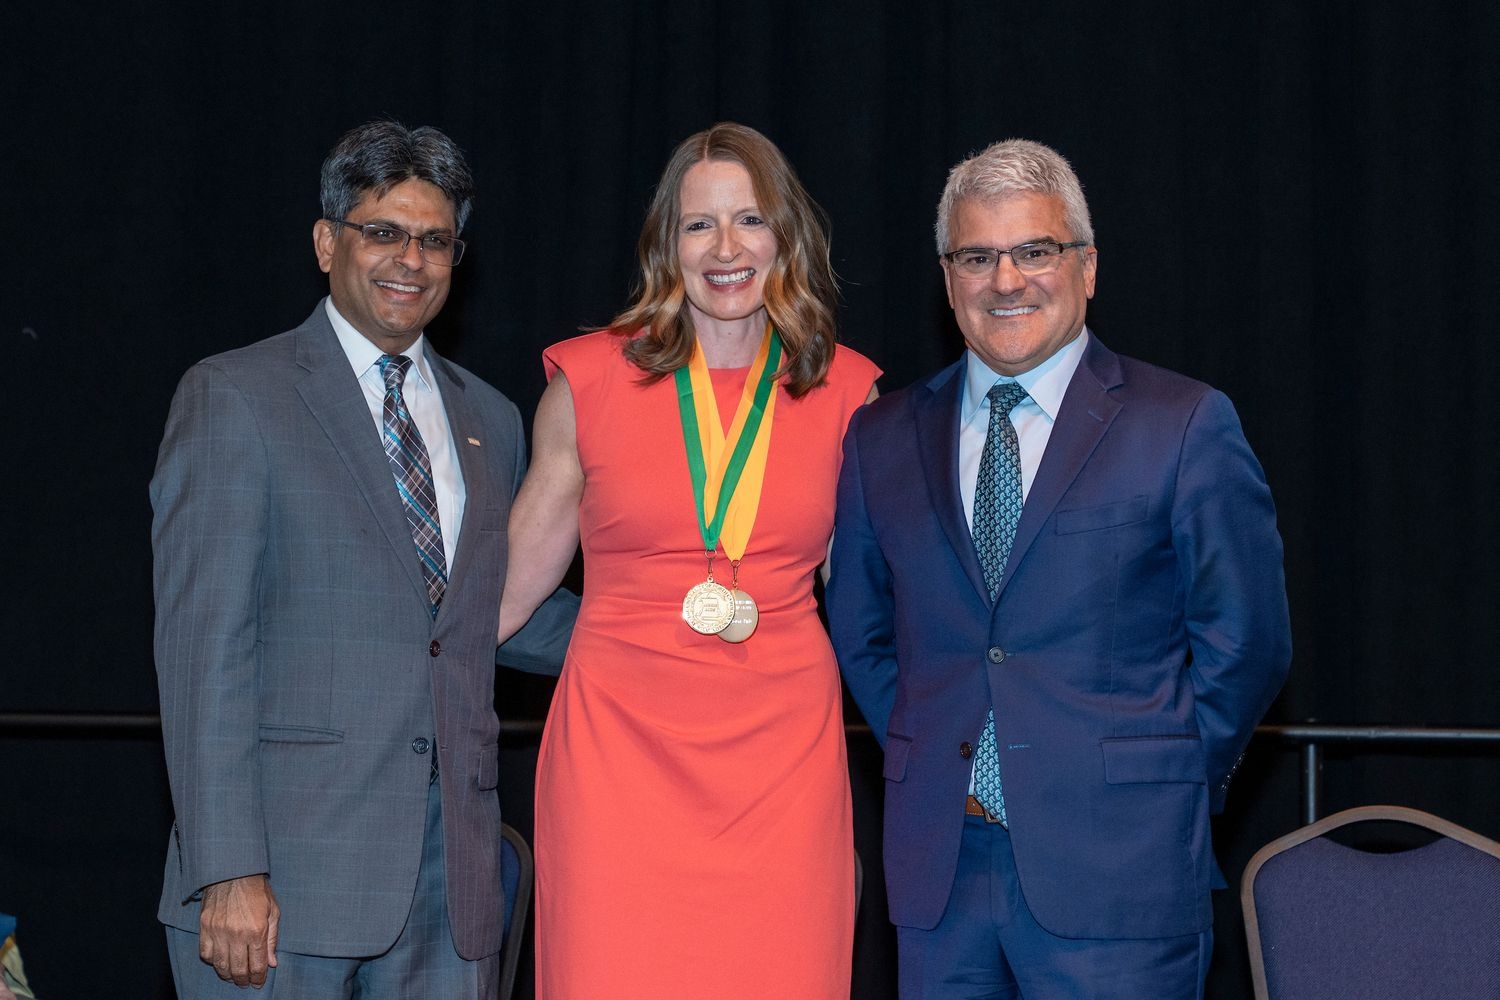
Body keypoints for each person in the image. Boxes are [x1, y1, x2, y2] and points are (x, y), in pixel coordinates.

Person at [827, 139, 1292, 999]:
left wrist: (1154, 777)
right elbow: (862, 633)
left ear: (1087, 268)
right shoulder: (879, 439)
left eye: (1034, 250)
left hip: (1122, 869)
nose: (1006, 280)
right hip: (941, 878)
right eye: (977, 256)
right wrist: (935, 751)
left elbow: (1246, 641)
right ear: (948, 275)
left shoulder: (1183, 423)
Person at [151, 120, 575, 998]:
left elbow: (494, 614)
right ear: (325, 242)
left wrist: (679, 632)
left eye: (434, 240)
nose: (409, 261)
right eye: (382, 232)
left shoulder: (491, 420)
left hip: (450, 889)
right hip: (279, 888)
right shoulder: (235, 397)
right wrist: (228, 868)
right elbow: (204, 651)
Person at [497, 121, 880, 997]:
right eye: (698, 224)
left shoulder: (850, 393)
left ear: (788, 236)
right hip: (615, 770)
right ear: (666, 245)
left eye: (750, 220)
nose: (725, 248)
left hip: (784, 771)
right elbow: (502, 602)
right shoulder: (586, 384)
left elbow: (871, 609)